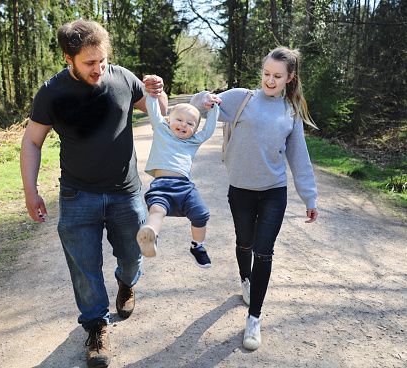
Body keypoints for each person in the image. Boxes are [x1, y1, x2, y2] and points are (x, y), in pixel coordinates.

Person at [20, 19, 168, 368]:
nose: (99, 69)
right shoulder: (52, 92)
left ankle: (126, 283)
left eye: (103, 60)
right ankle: (96, 327)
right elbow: (31, 141)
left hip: (126, 194)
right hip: (77, 197)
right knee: (84, 269)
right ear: (68, 58)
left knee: (133, 257)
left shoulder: (122, 78)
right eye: (90, 63)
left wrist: (157, 92)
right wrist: (31, 191)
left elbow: (160, 115)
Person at [190, 46, 318, 351]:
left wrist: (309, 198)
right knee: (244, 242)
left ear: (290, 78)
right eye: (266, 74)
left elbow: (299, 157)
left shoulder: (290, 111)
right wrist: (203, 98)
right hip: (241, 189)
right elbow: (199, 110)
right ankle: (245, 280)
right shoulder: (241, 98)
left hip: (274, 191)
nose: (270, 81)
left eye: (277, 76)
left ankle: (254, 318)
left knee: (264, 251)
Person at [136, 82, 219, 268]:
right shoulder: (161, 129)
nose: (183, 125)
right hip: (161, 186)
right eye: (179, 120)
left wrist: (214, 108)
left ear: (195, 130)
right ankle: (150, 236)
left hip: (184, 188)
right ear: (168, 121)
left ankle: (198, 246)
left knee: (201, 213)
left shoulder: (194, 141)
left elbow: (209, 129)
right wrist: (152, 94)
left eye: (190, 123)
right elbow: (153, 108)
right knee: (157, 211)